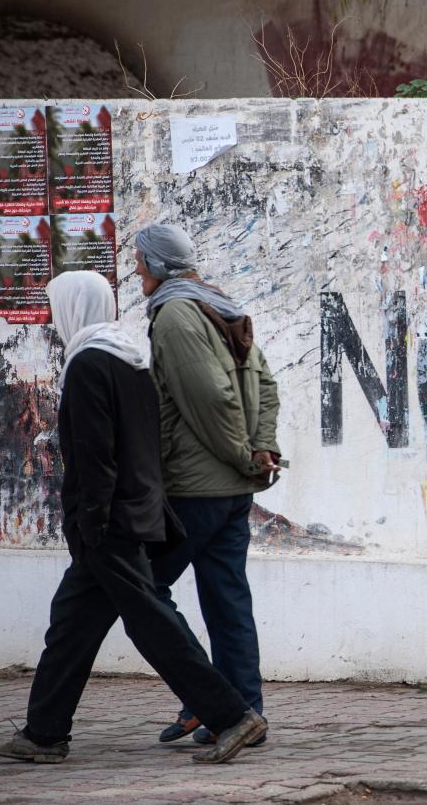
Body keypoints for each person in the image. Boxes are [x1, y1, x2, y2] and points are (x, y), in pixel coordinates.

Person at [0, 271, 267, 765]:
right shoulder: (128, 357)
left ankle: (232, 715)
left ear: (75, 308)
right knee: (72, 624)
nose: (53, 320)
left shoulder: (89, 364)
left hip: (106, 521)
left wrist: (88, 524)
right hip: (134, 510)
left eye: (57, 308)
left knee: (151, 623)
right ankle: (43, 733)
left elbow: (94, 455)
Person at [131, 224, 281, 747]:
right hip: (232, 489)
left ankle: (209, 700)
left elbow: (212, 399)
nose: (136, 271)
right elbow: (264, 383)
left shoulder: (175, 314)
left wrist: (245, 456)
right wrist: (259, 451)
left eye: (141, 262)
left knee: (143, 592)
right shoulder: (219, 303)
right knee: (228, 602)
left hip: (196, 489)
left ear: (158, 266)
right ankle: (242, 711)